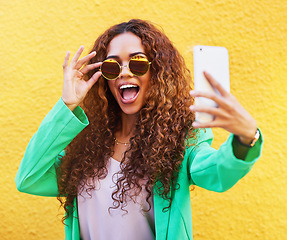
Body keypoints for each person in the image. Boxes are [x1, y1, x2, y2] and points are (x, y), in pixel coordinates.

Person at [15, 19, 263, 240]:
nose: (124, 72)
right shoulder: (85, 144)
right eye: (112, 67)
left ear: (157, 72)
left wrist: (246, 138)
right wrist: (67, 106)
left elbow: (216, 172)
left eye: (138, 63)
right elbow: (28, 178)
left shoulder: (180, 138)